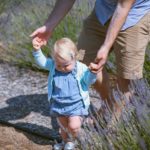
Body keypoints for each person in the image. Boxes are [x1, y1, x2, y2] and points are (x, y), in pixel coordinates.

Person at [30, 0, 150, 118]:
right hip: (102, 14)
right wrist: (49, 25)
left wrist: (106, 46)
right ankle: (108, 104)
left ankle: (113, 127)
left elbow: (122, 8)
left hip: (135, 17)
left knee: (126, 78)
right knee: (81, 59)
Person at [32, 37, 97, 150]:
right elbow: (42, 62)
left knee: (74, 126)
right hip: (59, 103)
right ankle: (65, 141)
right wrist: (37, 50)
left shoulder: (81, 68)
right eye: (59, 65)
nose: (62, 68)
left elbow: (88, 81)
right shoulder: (53, 65)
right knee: (63, 127)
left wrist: (92, 73)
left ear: (75, 58)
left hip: (76, 104)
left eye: (66, 65)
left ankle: (73, 139)